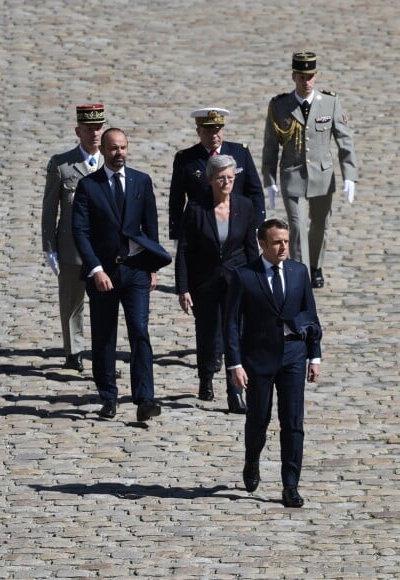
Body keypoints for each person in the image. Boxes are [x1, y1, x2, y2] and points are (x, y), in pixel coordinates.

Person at [72, 128, 171, 422]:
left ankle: (145, 398)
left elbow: (150, 228)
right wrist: (96, 269)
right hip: (104, 272)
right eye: (113, 148)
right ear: (102, 150)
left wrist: (152, 266)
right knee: (104, 336)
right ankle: (108, 396)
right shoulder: (89, 186)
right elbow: (81, 232)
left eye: (123, 147)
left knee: (140, 332)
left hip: (136, 269)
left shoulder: (142, 181)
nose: (119, 153)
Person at [225, 218, 322, 508]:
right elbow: (230, 324)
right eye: (277, 242)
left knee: (293, 423)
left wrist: (314, 355)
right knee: (259, 419)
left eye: (286, 241)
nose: (283, 247)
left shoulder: (298, 272)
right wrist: (235, 364)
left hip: (294, 354)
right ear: (263, 244)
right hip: (258, 358)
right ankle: (252, 458)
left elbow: (310, 315)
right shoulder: (244, 276)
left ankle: (290, 485)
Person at [262, 51, 358, 288]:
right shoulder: (280, 106)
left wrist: (350, 176)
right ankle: (300, 270)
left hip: (322, 176)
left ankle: (315, 266)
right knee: (296, 225)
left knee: (319, 225)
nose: (307, 82)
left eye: (311, 76)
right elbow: (271, 145)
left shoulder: (330, 102)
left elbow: (344, 140)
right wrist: (269, 179)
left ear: (316, 77)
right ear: (294, 76)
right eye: (302, 76)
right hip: (292, 173)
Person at [176, 155, 259, 413]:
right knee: (208, 333)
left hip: (237, 280)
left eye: (231, 178)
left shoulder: (244, 206)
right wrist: (183, 287)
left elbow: (250, 249)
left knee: (236, 333)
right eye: (221, 178)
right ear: (211, 179)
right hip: (205, 281)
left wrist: (258, 282)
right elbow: (184, 251)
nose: (226, 182)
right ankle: (206, 377)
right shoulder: (196, 208)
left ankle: (236, 393)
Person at [42, 104, 105, 372]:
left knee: (104, 302)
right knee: (71, 301)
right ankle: (74, 351)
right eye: (89, 129)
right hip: (71, 246)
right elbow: (49, 209)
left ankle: (103, 349)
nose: (94, 134)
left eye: (98, 128)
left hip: (104, 246)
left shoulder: (109, 162)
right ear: (78, 131)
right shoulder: (62, 165)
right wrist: (49, 248)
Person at [169, 106, 265, 241]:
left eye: (217, 130)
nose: (214, 136)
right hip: (201, 224)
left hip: (237, 221)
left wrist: (258, 225)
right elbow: (176, 198)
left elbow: (254, 191)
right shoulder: (186, 159)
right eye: (208, 131)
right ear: (198, 131)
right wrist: (177, 233)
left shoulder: (240, 152)